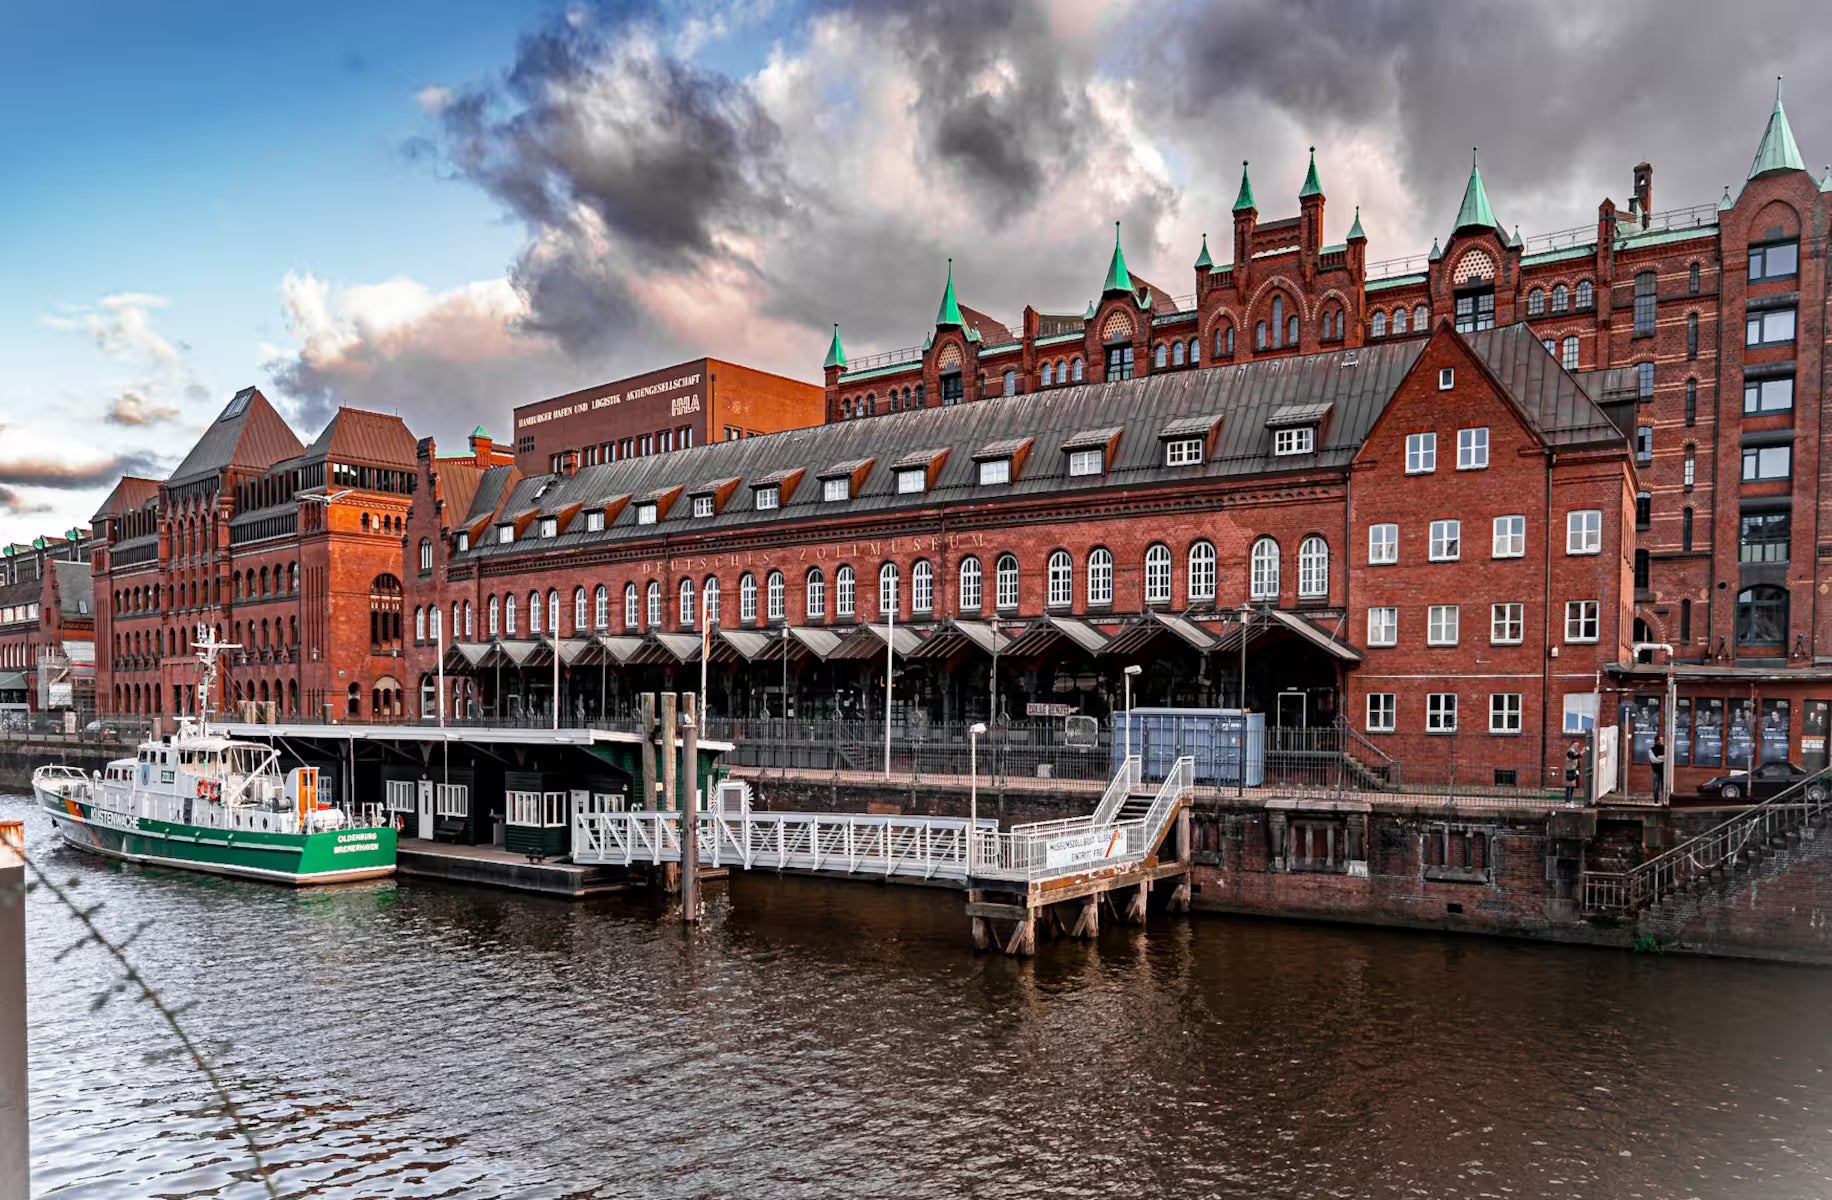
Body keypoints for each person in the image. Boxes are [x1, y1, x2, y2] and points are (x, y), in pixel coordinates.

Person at [1564, 741, 1585, 806]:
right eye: (1575, 744)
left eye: (1577, 745)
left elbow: (1577, 760)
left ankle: (1570, 800)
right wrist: (1582, 752)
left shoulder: (1574, 752)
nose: (1577, 746)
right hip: (1569, 770)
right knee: (1569, 786)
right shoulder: (1570, 752)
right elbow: (1573, 757)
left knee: (1572, 786)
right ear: (1572, 745)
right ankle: (1568, 801)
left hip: (1573, 770)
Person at [1649, 735, 1667, 805]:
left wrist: (1659, 758)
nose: (1662, 741)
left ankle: (1664, 800)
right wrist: (1662, 759)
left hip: (1664, 770)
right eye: (1661, 740)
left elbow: (1667, 758)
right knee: (1656, 786)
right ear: (1657, 741)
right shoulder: (1651, 750)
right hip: (1656, 770)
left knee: (1665, 786)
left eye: (1662, 740)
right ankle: (1656, 800)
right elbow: (1653, 760)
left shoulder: (1665, 748)